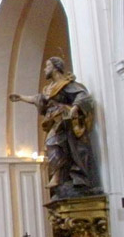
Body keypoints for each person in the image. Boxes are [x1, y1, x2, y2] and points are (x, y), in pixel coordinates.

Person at [9, 56, 99, 199]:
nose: (45, 69)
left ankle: (64, 178)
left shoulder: (66, 84)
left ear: (56, 68)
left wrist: (75, 108)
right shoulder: (49, 89)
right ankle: (59, 177)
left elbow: (83, 96)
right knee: (52, 145)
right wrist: (21, 97)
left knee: (58, 145)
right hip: (56, 121)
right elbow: (39, 99)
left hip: (66, 123)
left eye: (47, 66)